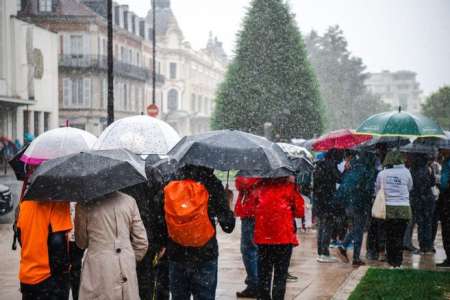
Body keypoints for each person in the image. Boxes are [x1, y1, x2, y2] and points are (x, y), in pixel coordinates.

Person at [159, 165, 235, 300]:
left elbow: (161, 219)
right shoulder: (212, 183)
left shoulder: (170, 180)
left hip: (177, 253)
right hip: (205, 253)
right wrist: (227, 203)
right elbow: (228, 226)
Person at [75, 192, 148, 300]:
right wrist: (129, 259)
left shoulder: (84, 204)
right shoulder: (129, 201)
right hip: (125, 266)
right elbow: (142, 242)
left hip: (98, 267)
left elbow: (82, 243)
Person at [122, 166, 170, 300]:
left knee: (126, 283)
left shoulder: (121, 175)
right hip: (149, 238)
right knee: (146, 281)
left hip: (125, 239)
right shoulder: (152, 173)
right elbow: (161, 210)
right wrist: (162, 241)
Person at [254, 177, 304, 300]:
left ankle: (263, 297)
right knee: (280, 275)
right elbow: (300, 211)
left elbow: (254, 208)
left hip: (263, 237)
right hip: (283, 237)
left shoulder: (260, 185)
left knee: (264, 273)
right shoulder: (289, 187)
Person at [17, 199, 72, 299]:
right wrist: (64, 272)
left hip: (27, 278)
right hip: (48, 280)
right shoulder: (59, 202)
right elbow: (57, 243)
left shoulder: (24, 203)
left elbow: (20, 238)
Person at [337, 151, 378, 266]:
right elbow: (368, 188)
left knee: (356, 227)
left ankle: (344, 247)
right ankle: (353, 255)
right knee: (359, 229)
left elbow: (343, 181)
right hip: (360, 203)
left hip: (349, 202)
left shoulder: (352, 167)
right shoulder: (368, 170)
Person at [375, 151, 413, 268]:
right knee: (400, 236)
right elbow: (410, 187)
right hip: (403, 209)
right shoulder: (407, 172)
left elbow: (377, 190)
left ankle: (391, 261)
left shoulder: (382, 173)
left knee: (389, 236)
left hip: (388, 209)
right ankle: (398, 262)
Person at [234, 176, 261, 298]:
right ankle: (260, 283)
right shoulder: (271, 167)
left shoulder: (251, 169)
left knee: (249, 250)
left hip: (252, 211)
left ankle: (254, 284)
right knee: (258, 249)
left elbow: (242, 184)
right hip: (263, 211)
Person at [313, 149, 342, 262]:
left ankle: (321, 252)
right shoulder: (331, 165)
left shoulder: (319, 165)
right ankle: (324, 252)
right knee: (327, 226)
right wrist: (345, 170)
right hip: (328, 200)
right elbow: (340, 179)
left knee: (321, 226)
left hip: (319, 199)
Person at [407, 153, 436, 254]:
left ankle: (423, 247)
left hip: (418, 200)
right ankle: (428, 246)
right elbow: (433, 183)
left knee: (421, 224)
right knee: (428, 223)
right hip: (428, 199)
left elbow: (411, 185)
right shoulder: (429, 168)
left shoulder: (413, 170)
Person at [366, 143, 388, 261]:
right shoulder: (376, 164)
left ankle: (374, 250)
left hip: (376, 197)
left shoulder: (376, 163)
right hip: (377, 198)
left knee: (376, 225)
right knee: (377, 225)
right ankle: (374, 250)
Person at [437, 149, 450, 268]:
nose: (440, 151)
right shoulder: (445, 162)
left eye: (442, 149)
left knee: (447, 228)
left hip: (447, 196)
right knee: (445, 228)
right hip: (444, 196)